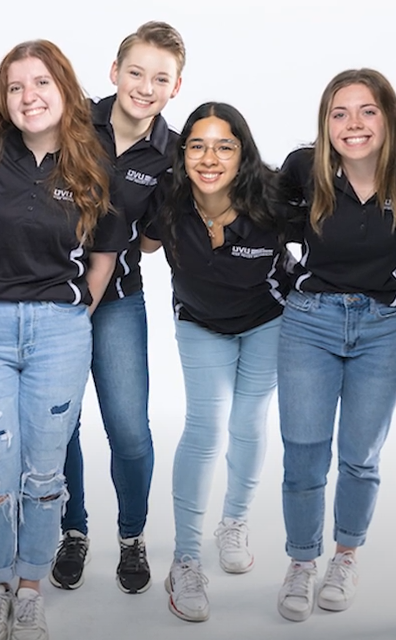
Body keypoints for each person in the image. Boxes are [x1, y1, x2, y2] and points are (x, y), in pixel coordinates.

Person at [0, 39, 126, 640]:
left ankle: (32, 586)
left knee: (43, 474)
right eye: (15, 87)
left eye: (40, 83)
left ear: (64, 89)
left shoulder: (92, 165)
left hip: (58, 335)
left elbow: (104, 256)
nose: (28, 96)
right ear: (3, 99)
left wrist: (72, 317)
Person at [275, 68, 396, 622]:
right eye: (339, 113)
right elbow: (262, 222)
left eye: (367, 111)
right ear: (325, 123)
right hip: (310, 323)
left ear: (388, 116)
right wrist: (292, 289)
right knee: (305, 451)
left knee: (360, 456)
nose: (353, 124)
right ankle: (302, 561)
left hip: (385, 328)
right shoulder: (302, 168)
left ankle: (345, 554)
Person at [51, 20, 183, 595]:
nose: (145, 86)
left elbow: (151, 242)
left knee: (129, 430)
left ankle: (132, 537)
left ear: (176, 87)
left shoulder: (173, 152)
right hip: (47, 295)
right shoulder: (70, 119)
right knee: (60, 428)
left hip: (120, 299)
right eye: (136, 72)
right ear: (114, 72)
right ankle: (71, 531)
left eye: (161, 78)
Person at [141, 102, 286, 622]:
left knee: (248, 422)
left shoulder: (273, 196)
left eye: (224, 145)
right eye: (197, 145)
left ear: (242, 153)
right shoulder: (168, 199)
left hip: (268, 321)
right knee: (205, 428)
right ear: (182, 153)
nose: (210, 157)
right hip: (200, 324)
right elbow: (145, 245)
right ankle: (185, 559)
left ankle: (235, 522)